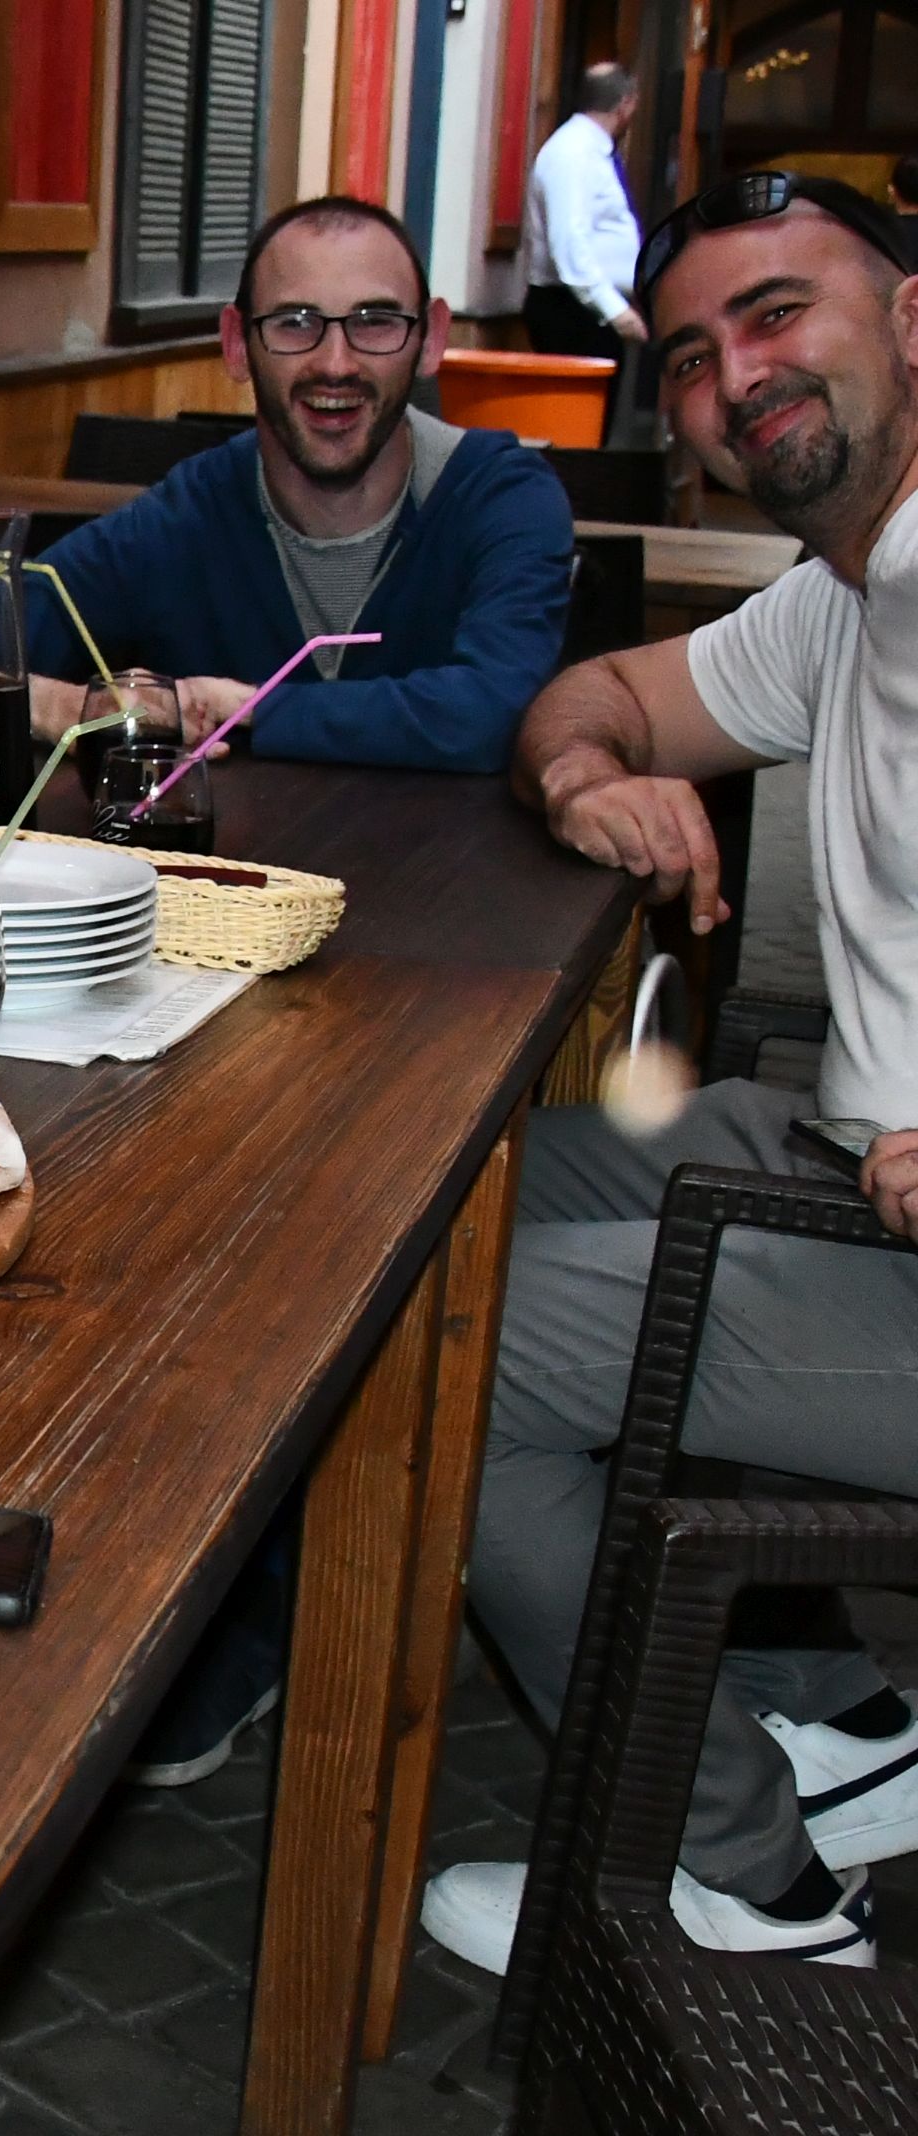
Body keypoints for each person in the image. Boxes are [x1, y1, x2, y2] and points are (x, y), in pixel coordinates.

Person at [420, 171, 918, 1973]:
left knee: (437, 1343)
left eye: (780, 315)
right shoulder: (850, 589)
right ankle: (854, 1730)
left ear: (913, 318)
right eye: (696, 352)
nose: (736, 377)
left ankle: (737, 1886)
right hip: (835, 1145)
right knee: (426, 1206)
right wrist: (589, 780)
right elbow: (596, 697)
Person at [0, 198, 577, 777]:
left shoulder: (501, 497)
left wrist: (250, 712)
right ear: (235, 345)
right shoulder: (187, 516)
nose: (336, 363)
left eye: (376, 322)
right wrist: (62, 706)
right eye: (295, 323)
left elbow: (492, 715)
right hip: (228, 901)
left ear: (431, 339)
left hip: (452, 902)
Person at [522, 63, 647, 361]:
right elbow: (569, 240)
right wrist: (615, 310)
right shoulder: (572, 153)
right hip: (572, 311)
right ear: (626, 104)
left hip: (587, 310)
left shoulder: (591, 151)